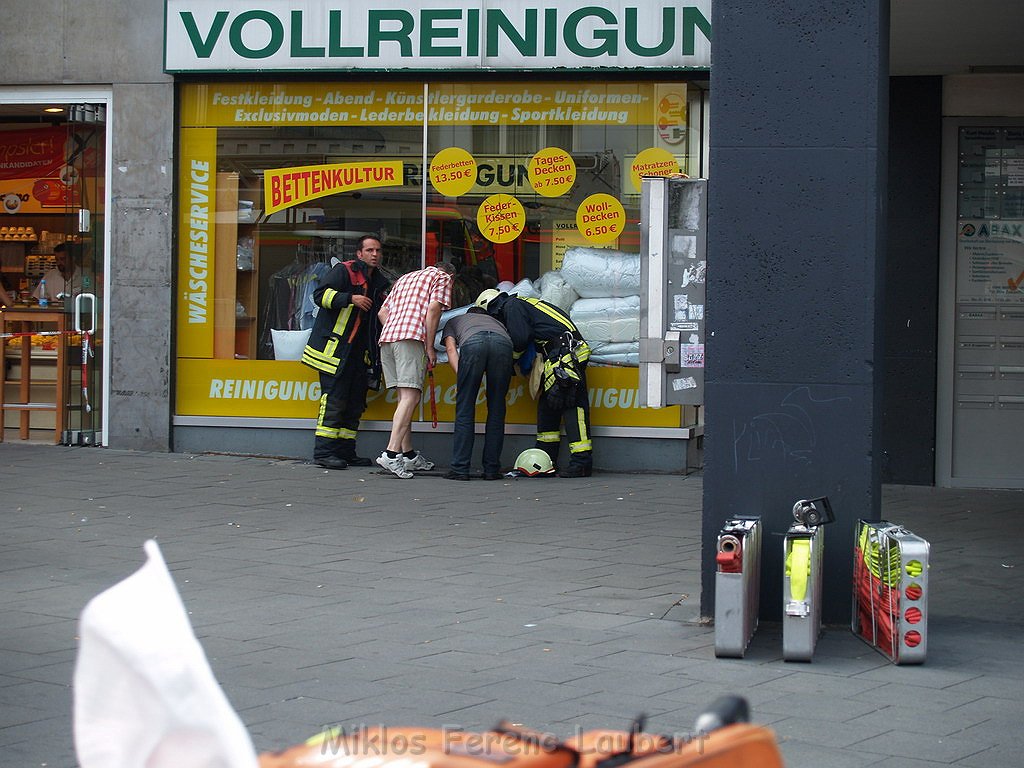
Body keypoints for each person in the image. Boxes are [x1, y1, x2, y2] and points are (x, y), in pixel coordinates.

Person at [477, 289, 593, 478]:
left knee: (572, 406)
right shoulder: (522, 304)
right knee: (548, 406)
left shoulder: (511, 306)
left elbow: (520, 339)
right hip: (557, 356)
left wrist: (508, 362)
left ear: (493, 309)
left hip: (565, 355)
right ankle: (545, 459)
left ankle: (581, 462)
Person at [300, 235, 390, 470]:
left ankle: (345, 451)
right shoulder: (344, 271)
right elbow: (320, 296)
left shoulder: (379, 281)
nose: (374, 254)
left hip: (359, 355)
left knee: (354, 404)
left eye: (378, 250)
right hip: (333, 351)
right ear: (359, 254)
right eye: (369, 250)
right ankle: (324, 452)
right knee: (334, 402)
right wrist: (350, 298)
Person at [375, 261, 455, 479]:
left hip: (388, 339)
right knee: (411, 397)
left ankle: (408, 455)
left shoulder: (404, 278)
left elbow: (382, 312)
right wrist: (430, 347)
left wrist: (395, 328)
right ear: (451, 275)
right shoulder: (442, 278)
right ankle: (391, 453)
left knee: (405, 399)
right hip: (411, 339)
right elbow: (433, 309)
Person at [441, 305, 514, 481]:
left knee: (465, 409)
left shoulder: (455, 321)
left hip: (473, 343)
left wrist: (465, 379)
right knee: (497, 410)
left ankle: (460, 469)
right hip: (503, 345)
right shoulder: (497, 323)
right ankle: (491, 469)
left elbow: (451, 350)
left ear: (468, 315)